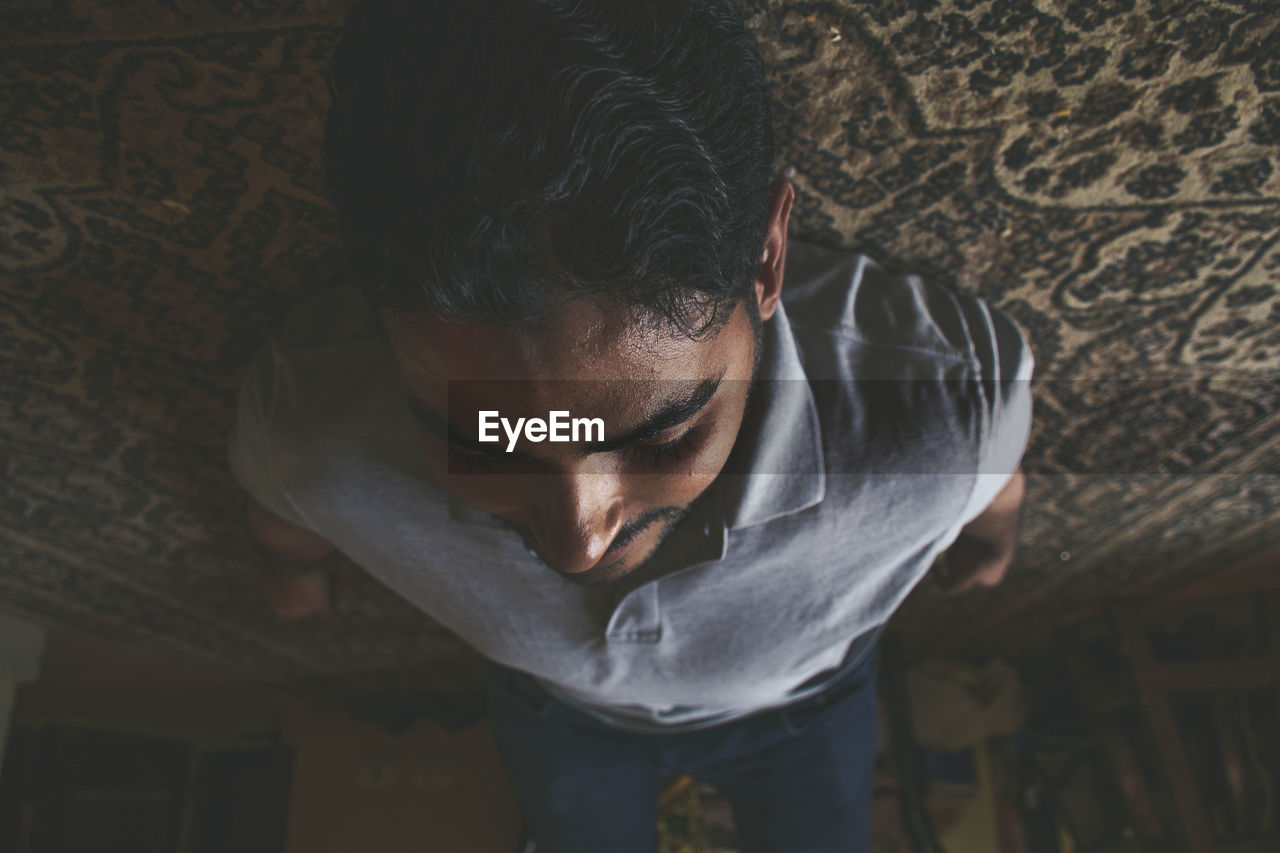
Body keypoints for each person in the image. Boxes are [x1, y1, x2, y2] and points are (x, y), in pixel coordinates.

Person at [228, 0, 1033, 850]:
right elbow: (284, 508)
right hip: (558, 712)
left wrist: (988, 541)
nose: (580, 547)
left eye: (661, 438)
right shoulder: (311, 432)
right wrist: (294, 572)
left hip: (807, 705)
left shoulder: (940, 409)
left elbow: (993, 479)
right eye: (487, 441)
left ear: (765, 257)